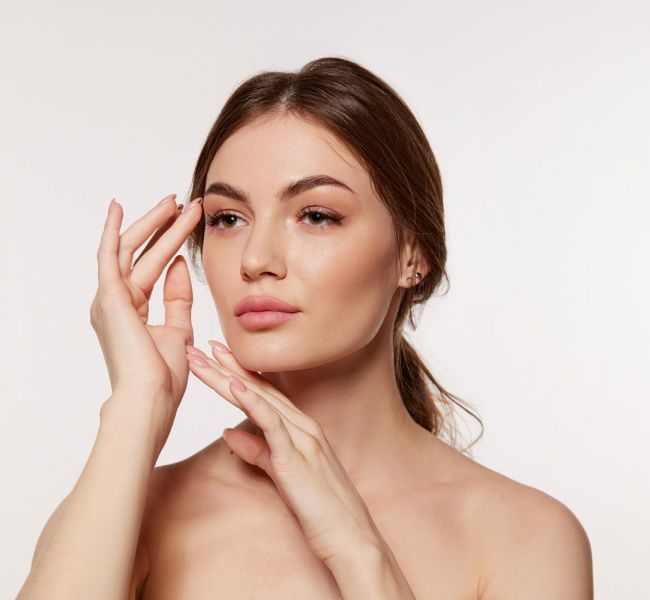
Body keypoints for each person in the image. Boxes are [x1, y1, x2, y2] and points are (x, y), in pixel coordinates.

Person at [17, 56, 593, 599]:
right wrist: (135, 405)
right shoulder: (129, 515)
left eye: (316, 215)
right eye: (228, 219)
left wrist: (359, 551)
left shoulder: (524, 537)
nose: (255, 259)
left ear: (411, 254)